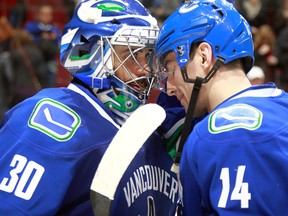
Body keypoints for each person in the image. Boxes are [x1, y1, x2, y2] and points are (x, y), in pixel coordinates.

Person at [0, 0, 183, 215]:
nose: (145, 68)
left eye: (149, 56)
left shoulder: (153, 130)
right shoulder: (53, 121)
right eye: (132, 54)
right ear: (91, 54)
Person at [155, 0, 288, 215]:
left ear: (204, 56)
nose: (169, 88)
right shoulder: (282, 104)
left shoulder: (218, 137)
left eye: (171, 69)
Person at [24, 3, 62, 87]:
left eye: (49, 14)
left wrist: (53, 38)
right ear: (37, 15)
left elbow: (60, 45)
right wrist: (41, 38)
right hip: (33, 63)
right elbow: (25, 41)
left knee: (49, 86)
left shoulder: (55, 29)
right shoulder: (30, 27)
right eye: (43, 14)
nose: (46, 16)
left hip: (50, 63)